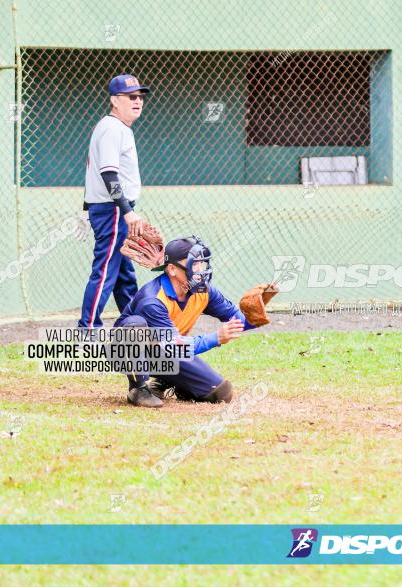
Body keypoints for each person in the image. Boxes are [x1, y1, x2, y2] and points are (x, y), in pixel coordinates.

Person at [114, 236, 255, 408]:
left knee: (220, 392)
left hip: (167, 350)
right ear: (172, 269)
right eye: (193, 264)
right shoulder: (153, 300)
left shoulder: (203, 291)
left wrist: (255, 315)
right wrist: (216, 337)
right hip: (126, 353)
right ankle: (138, 389)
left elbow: (236, 320)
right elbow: (173, 346)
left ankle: (168, 380)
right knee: (134, 325)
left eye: (201, 264)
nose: (200, 270)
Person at [77, 74, 149, 328]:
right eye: (131, 96)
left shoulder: (112, 127)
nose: (138, 101)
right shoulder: (112, 128)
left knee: (123, 274)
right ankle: (88, 328)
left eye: (140, 96)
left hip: (109, 208)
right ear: (114, 100)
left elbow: (91, 172)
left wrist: (86, 209)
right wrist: (127, 211)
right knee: (106, 269)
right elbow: (108, 173)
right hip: (114, 210)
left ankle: (135, 324)